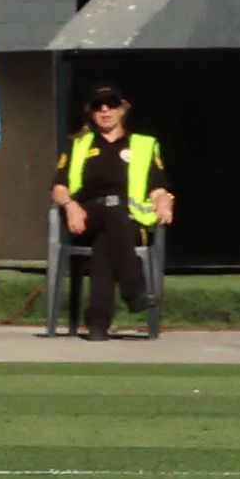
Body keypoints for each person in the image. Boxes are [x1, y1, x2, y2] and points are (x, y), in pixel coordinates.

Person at [51, 82, 173, 341]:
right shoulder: (79, 145)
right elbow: (59, 188)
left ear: (122, 110)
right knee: (111, 214)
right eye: (98, 107)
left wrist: (164, 202)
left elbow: (158, 187)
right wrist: (70, 206)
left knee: (109, 233)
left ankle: (97, 322)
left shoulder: (143, 145)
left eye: (111, 105)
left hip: (126, 220)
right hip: (85, 217)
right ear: (92, 113)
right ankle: (134, 291)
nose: (105, 111)